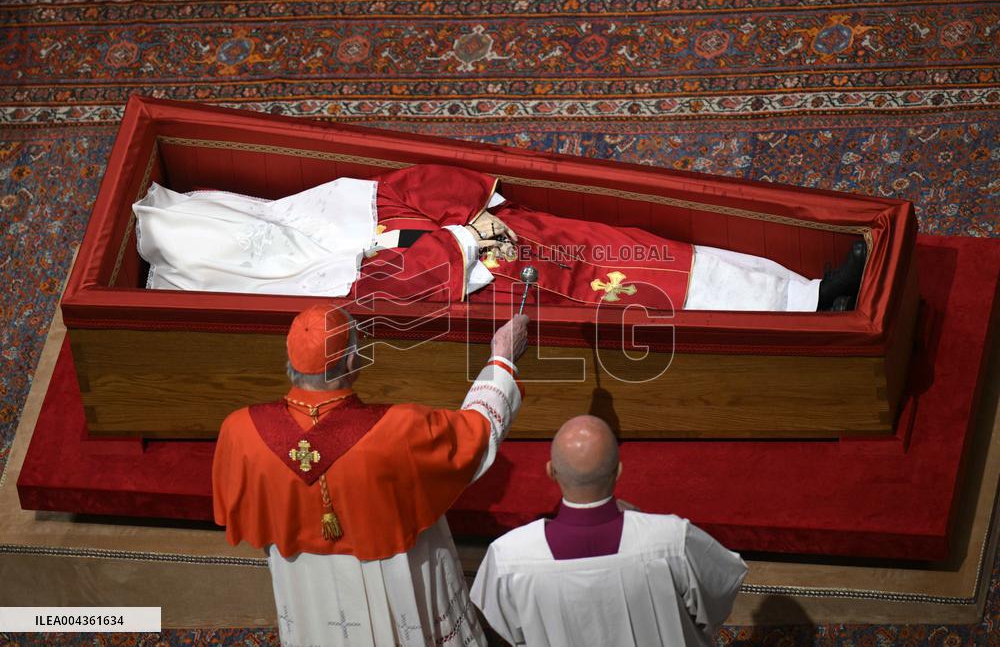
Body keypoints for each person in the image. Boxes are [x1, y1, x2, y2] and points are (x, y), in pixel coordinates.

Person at [211, 303, 529, 646]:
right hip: (395, 575)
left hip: (305, 583)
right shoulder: (399, 430)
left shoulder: (239, 430)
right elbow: (477, 433)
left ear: (289, 359)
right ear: (352, 362)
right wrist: (502, 359)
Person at [134, 164, 865, 312]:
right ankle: (801, 316)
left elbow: (401, 189)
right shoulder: (303, 290)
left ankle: (798, 289)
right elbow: (393, 291)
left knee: (642, 244)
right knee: (635, 287)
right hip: (500, 294)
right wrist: (468, 245)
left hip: (508, 239)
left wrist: (476, 220)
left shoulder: (303, 214)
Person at [470, 415, 748, 646]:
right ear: (619, 471)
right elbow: (718, 598)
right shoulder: (673, 540)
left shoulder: (508, 557)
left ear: (550, 471)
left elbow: (512, 632)